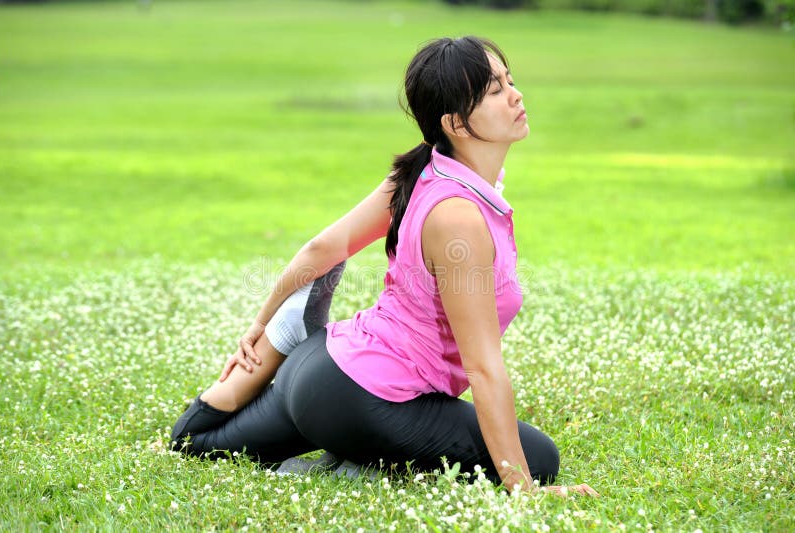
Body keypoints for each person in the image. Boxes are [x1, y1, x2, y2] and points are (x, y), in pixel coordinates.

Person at [170, 36, 597, 497]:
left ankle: (277, 360)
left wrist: (261, 323)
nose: (515, 95)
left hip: (319, 367)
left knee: (194, 445)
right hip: (358, 399)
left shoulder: (426, 170)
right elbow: (483, 368)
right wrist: (524, 490)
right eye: (494, 90)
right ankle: (349, 467)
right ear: (455, 123)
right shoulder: (458, 218)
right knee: (539, 458)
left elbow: (321, 249)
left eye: (510, 81)